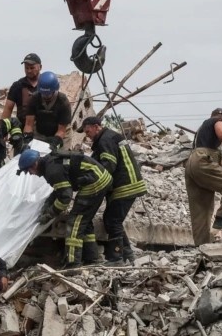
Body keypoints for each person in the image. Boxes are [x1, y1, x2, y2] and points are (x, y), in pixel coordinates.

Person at [17, 148, 112, 268]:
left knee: (74, 222)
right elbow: (60, 189)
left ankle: (73, 263)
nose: (30, 174)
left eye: (29, 170)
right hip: (99, 178)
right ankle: (91, 257)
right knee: (83, 221)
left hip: (94, 182)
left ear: (34, 164)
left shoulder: (52, 171)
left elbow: (65, 197)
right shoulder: (49, 164)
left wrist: (50, 214)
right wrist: (48, 202)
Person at [79, 116, 147, 265]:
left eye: (88, 131)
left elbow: (108, 164)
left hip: (124, 185)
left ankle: (116, 258)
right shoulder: (110, 137)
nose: (87, 135)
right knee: (113, 219)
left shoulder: (105, 140)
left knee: (112, 220)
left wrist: (94, 184)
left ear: (97, 126)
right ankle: (127, 254)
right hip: (129, 183)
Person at [185, 108, 222, 245]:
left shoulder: (202, 132)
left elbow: (211, 156)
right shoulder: (219, 120)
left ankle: (201, 246)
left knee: (201, 209)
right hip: (202, 162)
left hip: (192, 165)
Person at [23, 71, 72, 150]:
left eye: (48, 94)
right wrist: (27, 139)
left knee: (58, 154)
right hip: (40, 132)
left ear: (54, 90)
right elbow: (28, 124)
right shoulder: (34, 99)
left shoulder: (63, 102)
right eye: (43, 93)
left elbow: (62, 130)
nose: (45, 96)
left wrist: (55, 142)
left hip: (61, 133)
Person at [1, 53, 42, 144]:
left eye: (32, 68)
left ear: (40, 67)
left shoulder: (46, 84)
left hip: (44, 132)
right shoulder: (18, 85)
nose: (29, 71)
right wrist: (3, 131)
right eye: (26, 68)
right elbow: (8, 108)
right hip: (23, 132)